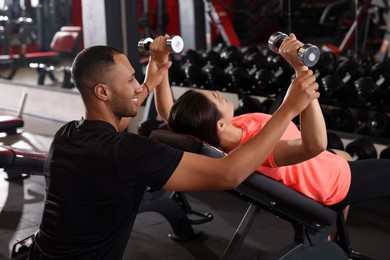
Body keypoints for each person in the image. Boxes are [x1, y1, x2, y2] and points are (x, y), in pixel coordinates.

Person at [27, 35, 319, 259]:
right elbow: (227, 174)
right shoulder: (127, 152)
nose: (137, 87)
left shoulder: (67, 134)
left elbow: (110, 121)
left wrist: (151, 81)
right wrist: (289, 108)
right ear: (102, 91)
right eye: (131, 81)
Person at [157, 34, 390, 209]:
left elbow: (171, 113)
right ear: (219, 124)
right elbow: (315, 145)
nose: (218, 92)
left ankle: (335, 239)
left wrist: (160, 65)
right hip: (334, 183)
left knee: (345, 156)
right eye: (215, 97)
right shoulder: (259, 149)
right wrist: (301, 70)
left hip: (319, 166)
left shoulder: (222, 135)